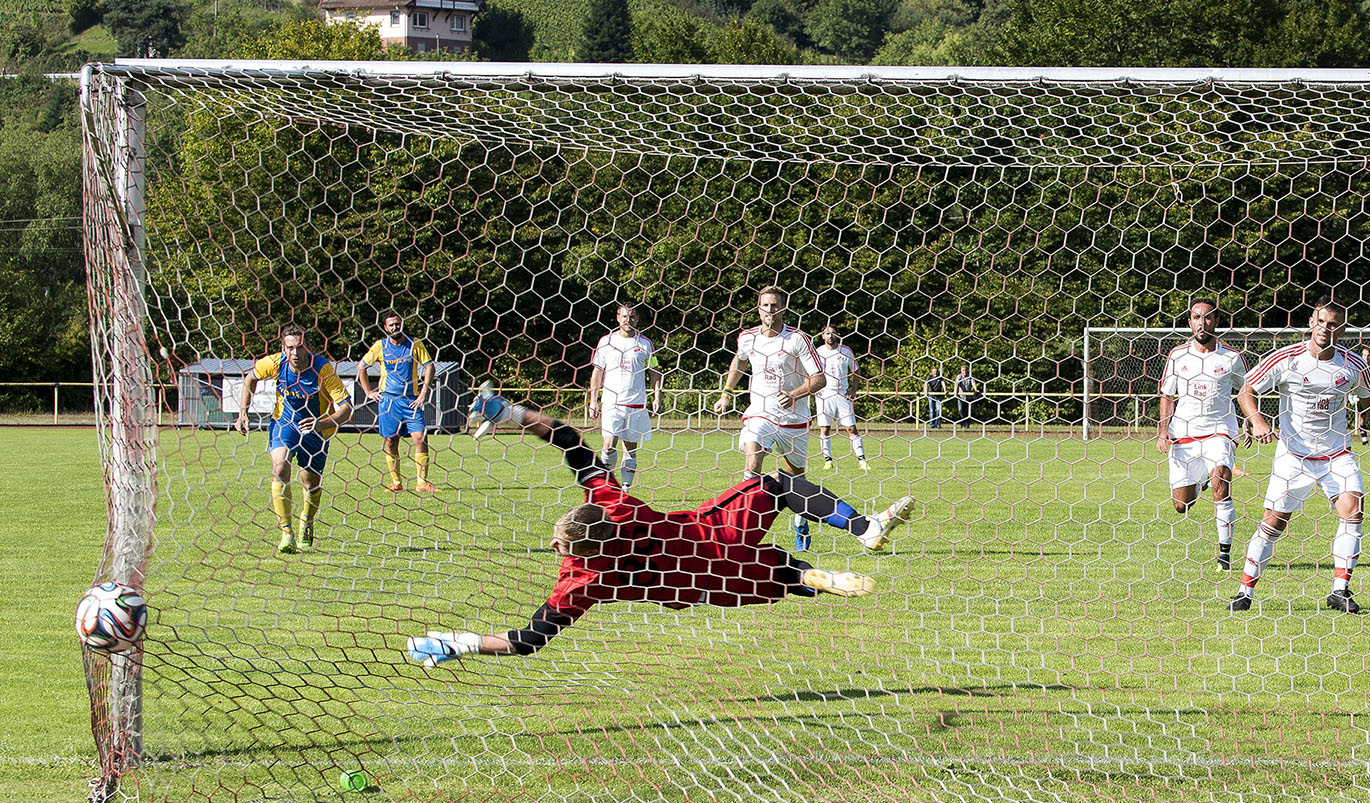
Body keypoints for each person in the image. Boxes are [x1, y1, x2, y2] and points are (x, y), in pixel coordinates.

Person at [407, 398, 915, 666]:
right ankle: (862, 527)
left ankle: (809, 577)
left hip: (696, 586)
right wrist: (513, 414)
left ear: (570, 547)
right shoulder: (614, 503)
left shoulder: (582, 580)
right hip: (716, 537)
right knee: (775, 484)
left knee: (779, 577)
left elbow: (528, 640)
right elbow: (570, 441)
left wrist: (460, 642)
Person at [1231, 298, 1370, 614]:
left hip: (1336, 454)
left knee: (1353, 510)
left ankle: (1340, 590)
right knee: (1273, 523)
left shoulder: (1353, 365)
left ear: (1342, 329)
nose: (1325, 328)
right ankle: (1244, 591)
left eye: (1333, 324)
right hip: (1294, 456)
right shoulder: (1286, 358)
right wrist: (1257, 420)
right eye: (1321, 322)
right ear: (1311, 322)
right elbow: (1246, 390)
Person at [712, 286, 826, 552]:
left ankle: (800, 521)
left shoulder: (797, 339)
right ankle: (740, 529)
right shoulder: (747, 338)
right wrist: (726, 395)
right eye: (765, 305)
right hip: (760, 413)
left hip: (793, 419)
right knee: (753, 458)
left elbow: (819, 378)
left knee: (797, 478)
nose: (770, 311)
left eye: (775, 306)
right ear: (758, 307)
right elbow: (738, 363)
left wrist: (795, 394)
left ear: (783, 308)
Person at [234, 323, 353, 554]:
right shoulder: (275, 363)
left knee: (310, 483)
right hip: (284, 423)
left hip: (316, 429)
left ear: (307, 347)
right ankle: (286, 532)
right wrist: (242, 412)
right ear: (283, 347)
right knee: (280, 467)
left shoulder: (323, 369)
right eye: (290, 348)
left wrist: (320, 423)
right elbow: (250, 379)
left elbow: (347, 409)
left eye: (299, 347)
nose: (295, 353)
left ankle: (306, 522)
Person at [1155, 299, 1246, 571]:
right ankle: (1201, 480)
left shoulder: (1232, 357)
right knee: (1181, 505)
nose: (1202, 323)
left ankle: (1225, 556)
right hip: (1184, 433)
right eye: (1196, 317)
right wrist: (1162, 431)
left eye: (1207, 318)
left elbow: (1245, 391)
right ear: (1189, 322)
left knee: (1222, 483)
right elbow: (1167, 395)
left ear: (1216, 322)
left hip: (1220, 430)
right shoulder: (1178, 355)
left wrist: (1251, 421)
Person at [586, 300, 664, 493]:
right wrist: (593, 399)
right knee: (609, 444)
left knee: (630, 448)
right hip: (611, 402)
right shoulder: (606, 342)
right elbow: (597, 371)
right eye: (624, 316)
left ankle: (626, 488)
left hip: (635, 403)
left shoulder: (645, 343)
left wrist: (657, 396)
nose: (628, 320)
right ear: (617, 318)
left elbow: (654, 371)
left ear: (637, 319)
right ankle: (607, 485)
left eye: (632, 316)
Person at [357, 311, 436, 493]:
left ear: (402, 324)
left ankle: (421, 483)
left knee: (420, 438)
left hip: (411, 401)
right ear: (386, 328)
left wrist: (423, 393)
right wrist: (368, 392)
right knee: (390, 442)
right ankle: (396, 482)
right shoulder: (380, 346)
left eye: (397, 324)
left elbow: (429, 366)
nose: (395, 327)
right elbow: (361, 367)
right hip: (388, 401)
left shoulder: (414, 344)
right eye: (391, 325)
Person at [815, 324, 868, 472]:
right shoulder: (818, 352)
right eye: (827, 333)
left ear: (837, 335)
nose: (830, 336)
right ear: (822, 336)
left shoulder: (845, 351)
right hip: (824, 395)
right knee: (825, 428)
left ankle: (862, 460)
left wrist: (853, 390)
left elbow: (856, 371)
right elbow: (809, 371)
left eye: (832, 333)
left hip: (842, 394)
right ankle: (828, 460)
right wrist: (814, 389)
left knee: (851, 428)